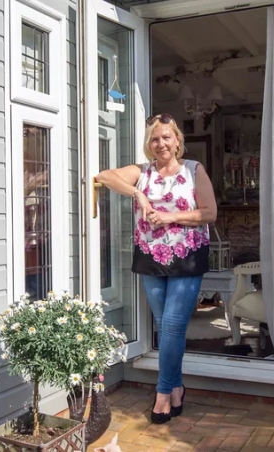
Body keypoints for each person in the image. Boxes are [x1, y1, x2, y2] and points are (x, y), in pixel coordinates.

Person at [95, 113, 217, 424]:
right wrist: (137, 192)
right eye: (154, 138)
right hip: (150, 257)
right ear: (149, 145)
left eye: (166, 137)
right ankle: (177, 387)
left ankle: (163, 392)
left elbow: (209, 213)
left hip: (187, 257)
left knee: (173, 326)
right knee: (164, 327)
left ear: (178, 141)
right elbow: (104, 176)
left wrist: (170, 218)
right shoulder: (142, 172)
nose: (160, 143)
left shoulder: (193, 171)